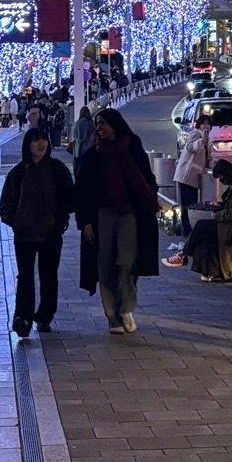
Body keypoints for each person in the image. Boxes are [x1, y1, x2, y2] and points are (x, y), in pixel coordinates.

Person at [75, 108, 158, 333]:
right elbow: (82, 190)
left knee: (127, 261)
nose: (99, 128)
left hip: (130, 212)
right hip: (103, 214)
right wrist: (85, 221)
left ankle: (126, 308)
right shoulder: (93, 155)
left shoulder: (132, 147)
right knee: (106, 264)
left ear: (115, 124)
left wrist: (149, 202)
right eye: (97, 124)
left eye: (103, 123)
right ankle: (112, 316)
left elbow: (147, 178)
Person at [0, 129, 75, 338]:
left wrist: (60, 221)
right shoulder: (18, 172)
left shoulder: (57, 169)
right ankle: (22, 318)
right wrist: (16, 222)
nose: (41, 144)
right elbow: (6, 204)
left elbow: (69, 199)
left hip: (51, 233)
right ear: (28, 144)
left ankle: (44, 316)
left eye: (44, 140)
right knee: (25, 276)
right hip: (24, 235)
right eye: (36, 140)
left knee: (48, 275)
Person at [162, 161, 232, 281]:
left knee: (201, 226)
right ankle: (206, 268)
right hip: (230, 223)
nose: (221, 181)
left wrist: (218, 215)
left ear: (227, 174)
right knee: (202, 231)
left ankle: (183, 255)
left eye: (221, 178)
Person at [173, 122, 208, 236]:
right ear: (199, 125)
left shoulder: (208, 141)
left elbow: (208, 159)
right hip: (186, 176)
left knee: (192, 205)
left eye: (208, 124)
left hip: (194, 178)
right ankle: (187, 232)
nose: (206, 126)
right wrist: (201, 141)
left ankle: (190, 231)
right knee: (187, 206)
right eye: (204, 123)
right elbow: (190, 147)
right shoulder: (195, 134)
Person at [71, 105, 95, 174]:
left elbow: (73, 136)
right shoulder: (91, 124)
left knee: (77, 169)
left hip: (77, 149)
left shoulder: (76, 123)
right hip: (89, 148)